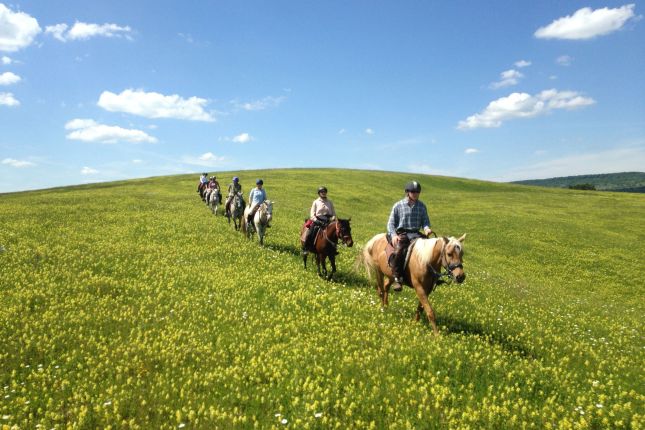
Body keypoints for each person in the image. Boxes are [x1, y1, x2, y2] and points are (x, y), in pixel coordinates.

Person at [387, 181, 432, 291]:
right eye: (413, 191)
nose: (415, 193)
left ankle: (431, 275)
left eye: (417, 192)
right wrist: (393, 235)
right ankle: (397, 278)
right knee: (399, 251)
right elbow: (390, 223)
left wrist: (426, 228)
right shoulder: (398, 205)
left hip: (416, 234)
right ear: (407, 192)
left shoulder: (422, 206)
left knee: (431, 249)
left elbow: (425, 221)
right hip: (403, 234)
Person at [302, 186, 336, 253]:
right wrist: (317, 221)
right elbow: (312, 214)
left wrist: (332, 219)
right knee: (310, 233)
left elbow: (334, 214)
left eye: (325, 192)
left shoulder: (330, 202)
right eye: (322, 192)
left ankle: (334, 249)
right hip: (318, 221)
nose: (323, 193)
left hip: (328, 221)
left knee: (336, 233)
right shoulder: (316, 202)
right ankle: (306, 248)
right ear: (319, 193)